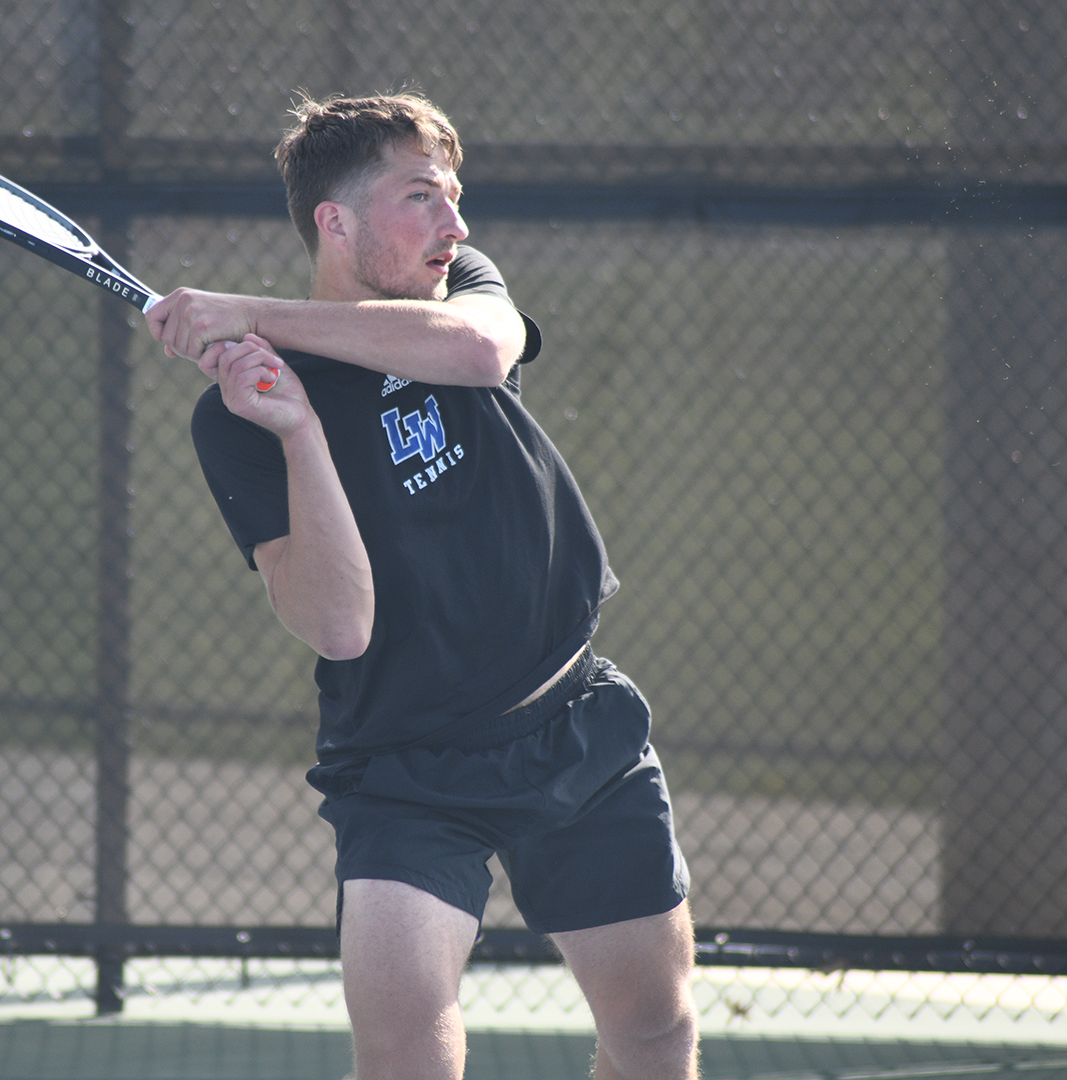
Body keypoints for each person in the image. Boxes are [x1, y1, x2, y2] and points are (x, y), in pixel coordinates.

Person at [146, 93, 698, 1080]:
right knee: (406, 1062)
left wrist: (253, 312)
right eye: (423, 198)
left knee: (653, 1037)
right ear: (335, 220)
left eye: (455, 196)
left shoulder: (463, 299)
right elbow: (340, 626)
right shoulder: (233, 419)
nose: (457, 224)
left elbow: (483, 353)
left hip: (571, 721)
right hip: (404, 772)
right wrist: (298, 430)